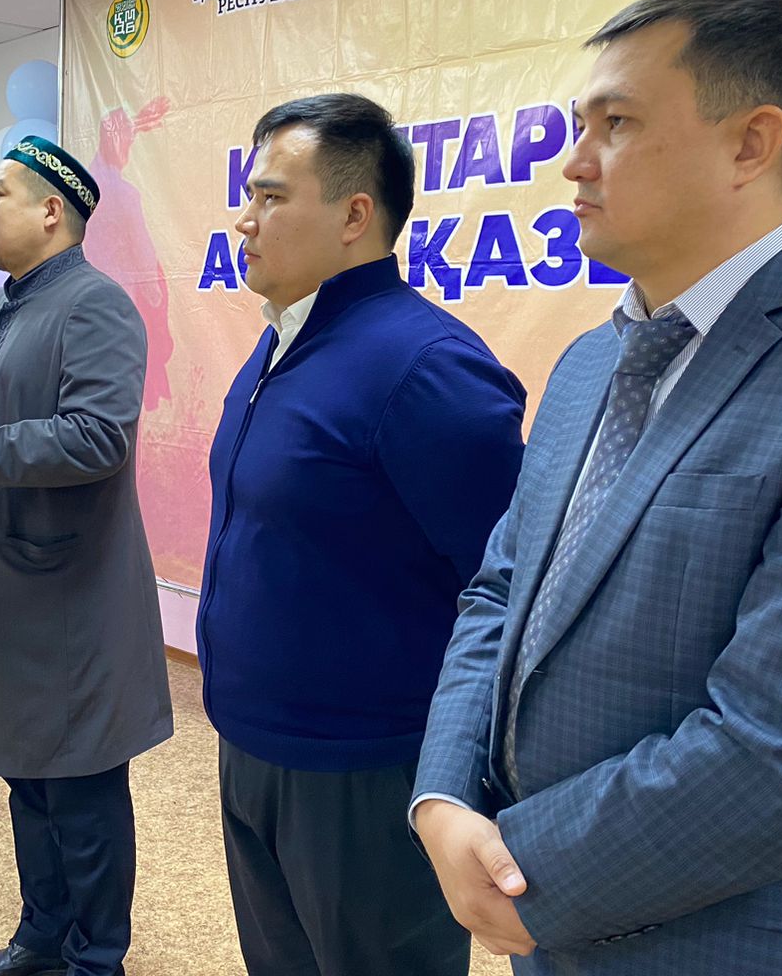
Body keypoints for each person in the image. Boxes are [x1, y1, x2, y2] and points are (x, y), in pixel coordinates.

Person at [412, 0, 782, 974]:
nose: (574, 161)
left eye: (618, 123)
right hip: (545, 932)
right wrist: (442, 798)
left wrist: (526, 870)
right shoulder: (588, 363)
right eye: (580, 125)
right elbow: (500, 592)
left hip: (732, 946)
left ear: (751, 143)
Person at [198, 93, 526, 976]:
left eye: (271, 197)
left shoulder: (424, 367)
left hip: (367, 773)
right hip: (254, 743)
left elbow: (510, 584)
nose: (245, 219)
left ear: (354, 215)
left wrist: (465, 774)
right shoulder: (282, 342)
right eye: (249, 195)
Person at [0, 135, 173, 976]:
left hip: (68, 596)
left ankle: (97, 959)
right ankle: (41, 938)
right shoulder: (1, 309)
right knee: (28, 776)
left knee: (81, 787)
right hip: (10, 587)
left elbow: (95, 439)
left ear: (52, 211)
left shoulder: (96, 305)